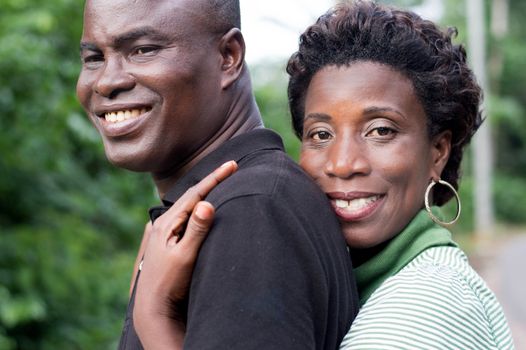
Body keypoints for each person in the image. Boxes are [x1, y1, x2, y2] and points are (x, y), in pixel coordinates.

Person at [142, 0, 515, 348]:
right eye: (321, 134)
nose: (342, 163)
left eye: (381, 130)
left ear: (438, 151)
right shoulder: (370, 283)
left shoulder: (425, 307)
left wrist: (155, 317)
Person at [76, 0, 359, 348]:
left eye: (143, 50)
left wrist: (153, 315)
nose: (106, 82)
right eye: (93, 58)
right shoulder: (224, 203)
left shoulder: (250, 210)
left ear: (228, 56)